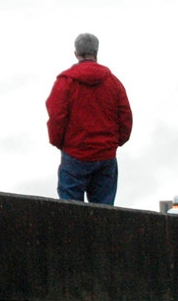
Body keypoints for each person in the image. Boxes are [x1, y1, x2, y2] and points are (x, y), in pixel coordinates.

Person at [45, 33, 133, 205]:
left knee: (71, 212)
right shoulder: (113, 82)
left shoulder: (66, 82)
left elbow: (57, 116)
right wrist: (113, 143)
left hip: (75, 154)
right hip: (106, 155)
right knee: (104, 212)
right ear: (96, 52)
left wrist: (60, 143)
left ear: (76, 53)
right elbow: (125, 117)